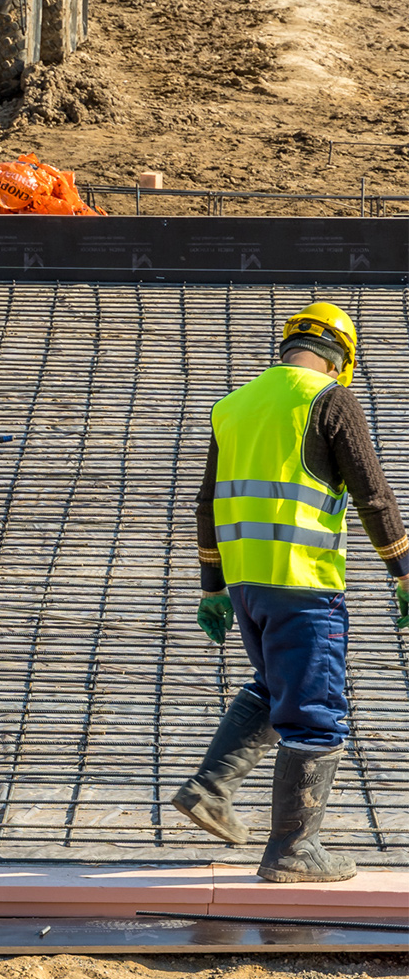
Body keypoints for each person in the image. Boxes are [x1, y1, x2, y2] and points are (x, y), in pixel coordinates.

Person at [176, 302, 409, 882]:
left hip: (248, 585)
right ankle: (293, 852)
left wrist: (214, 587)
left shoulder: (232, 406)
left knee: (273, 683)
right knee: (317, 717)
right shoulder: (328, 399)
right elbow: (372, 493)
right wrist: (404, 571)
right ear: (341, 360)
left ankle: (211, 788)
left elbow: (207, 502)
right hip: (303, 583)